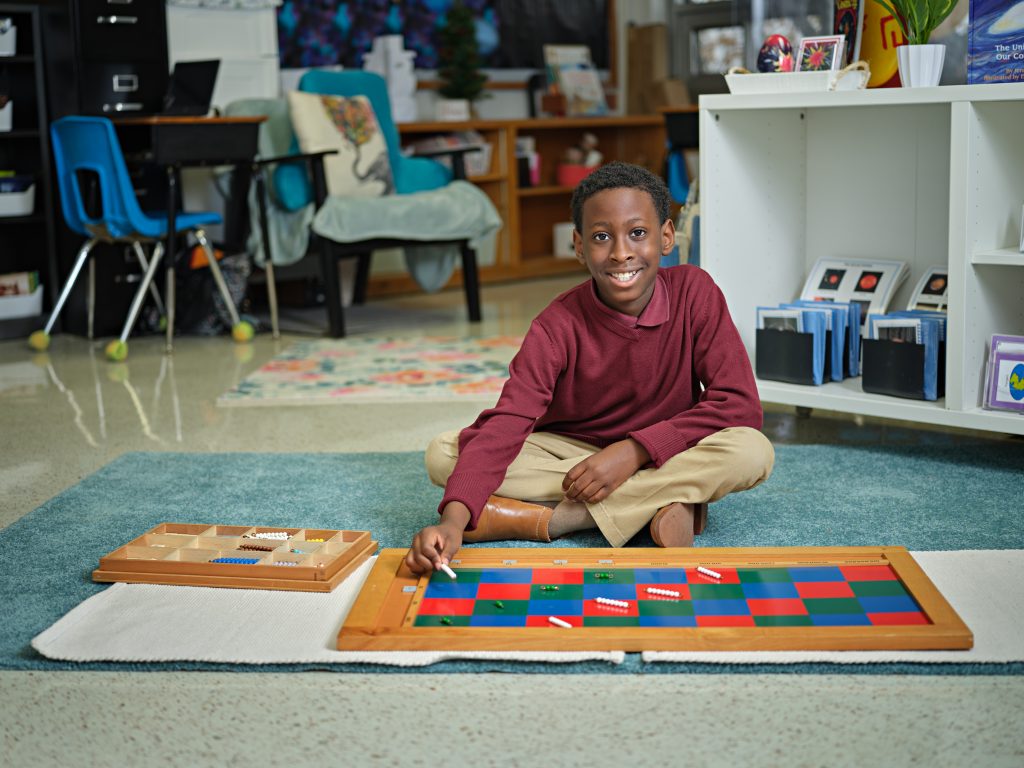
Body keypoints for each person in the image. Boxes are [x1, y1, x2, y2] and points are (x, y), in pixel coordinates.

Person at [405, 162, 774, 575]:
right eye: (601, 237)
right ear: (579, 246)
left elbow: (739, 405)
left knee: (752, 450)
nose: (620, 252)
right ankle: (665, 502)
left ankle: (556, 520)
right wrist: (452, 522)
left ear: (666, 236)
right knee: (443, 454)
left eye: (638, 233)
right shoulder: (555, 325)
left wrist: (633, 452)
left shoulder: (695, 291)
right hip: (572, 456)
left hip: (661, 451)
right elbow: (507, 422)